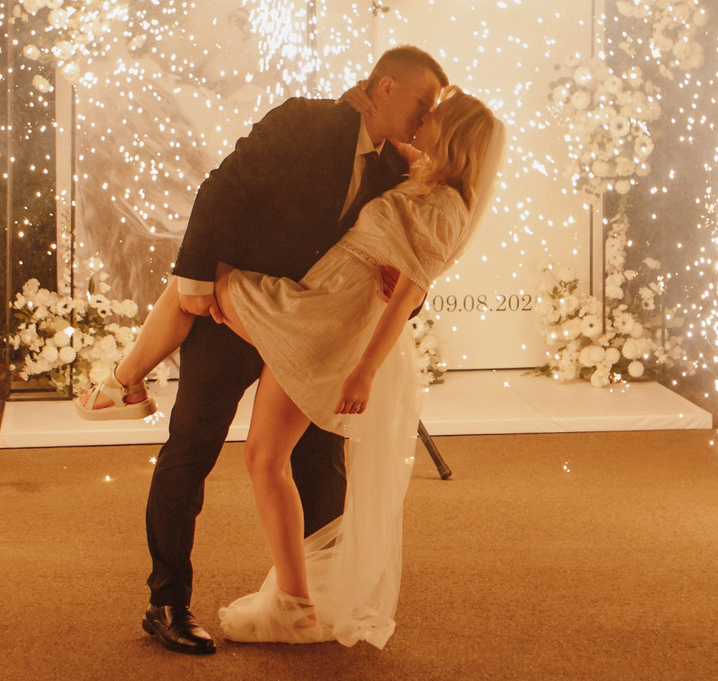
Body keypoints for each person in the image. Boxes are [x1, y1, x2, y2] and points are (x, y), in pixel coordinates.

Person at [95, 46, 447, 656]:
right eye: (423, 101)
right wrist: (196, 282)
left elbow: (407, 269)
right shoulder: (303, 120)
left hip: (313, 341)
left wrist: (404, 298)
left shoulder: (397, 173)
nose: (426, 115)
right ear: (386, 87)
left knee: (320, 464)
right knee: (191, 450)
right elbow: (218, 190)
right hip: (237, 315)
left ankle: (312, 599)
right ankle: (168, 602)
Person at [210, 89, 503, 648]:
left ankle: (122, 383)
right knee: (264, 456)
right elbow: (379, 132)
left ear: (455, 135)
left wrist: (364, 372)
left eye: (434, 116)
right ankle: (294, 598)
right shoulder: (425, 178)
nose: (424, 118)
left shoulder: (446, 208)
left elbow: (406, 297)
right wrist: (356, 105)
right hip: (321, 304)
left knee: (206, 287)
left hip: (329, 321)